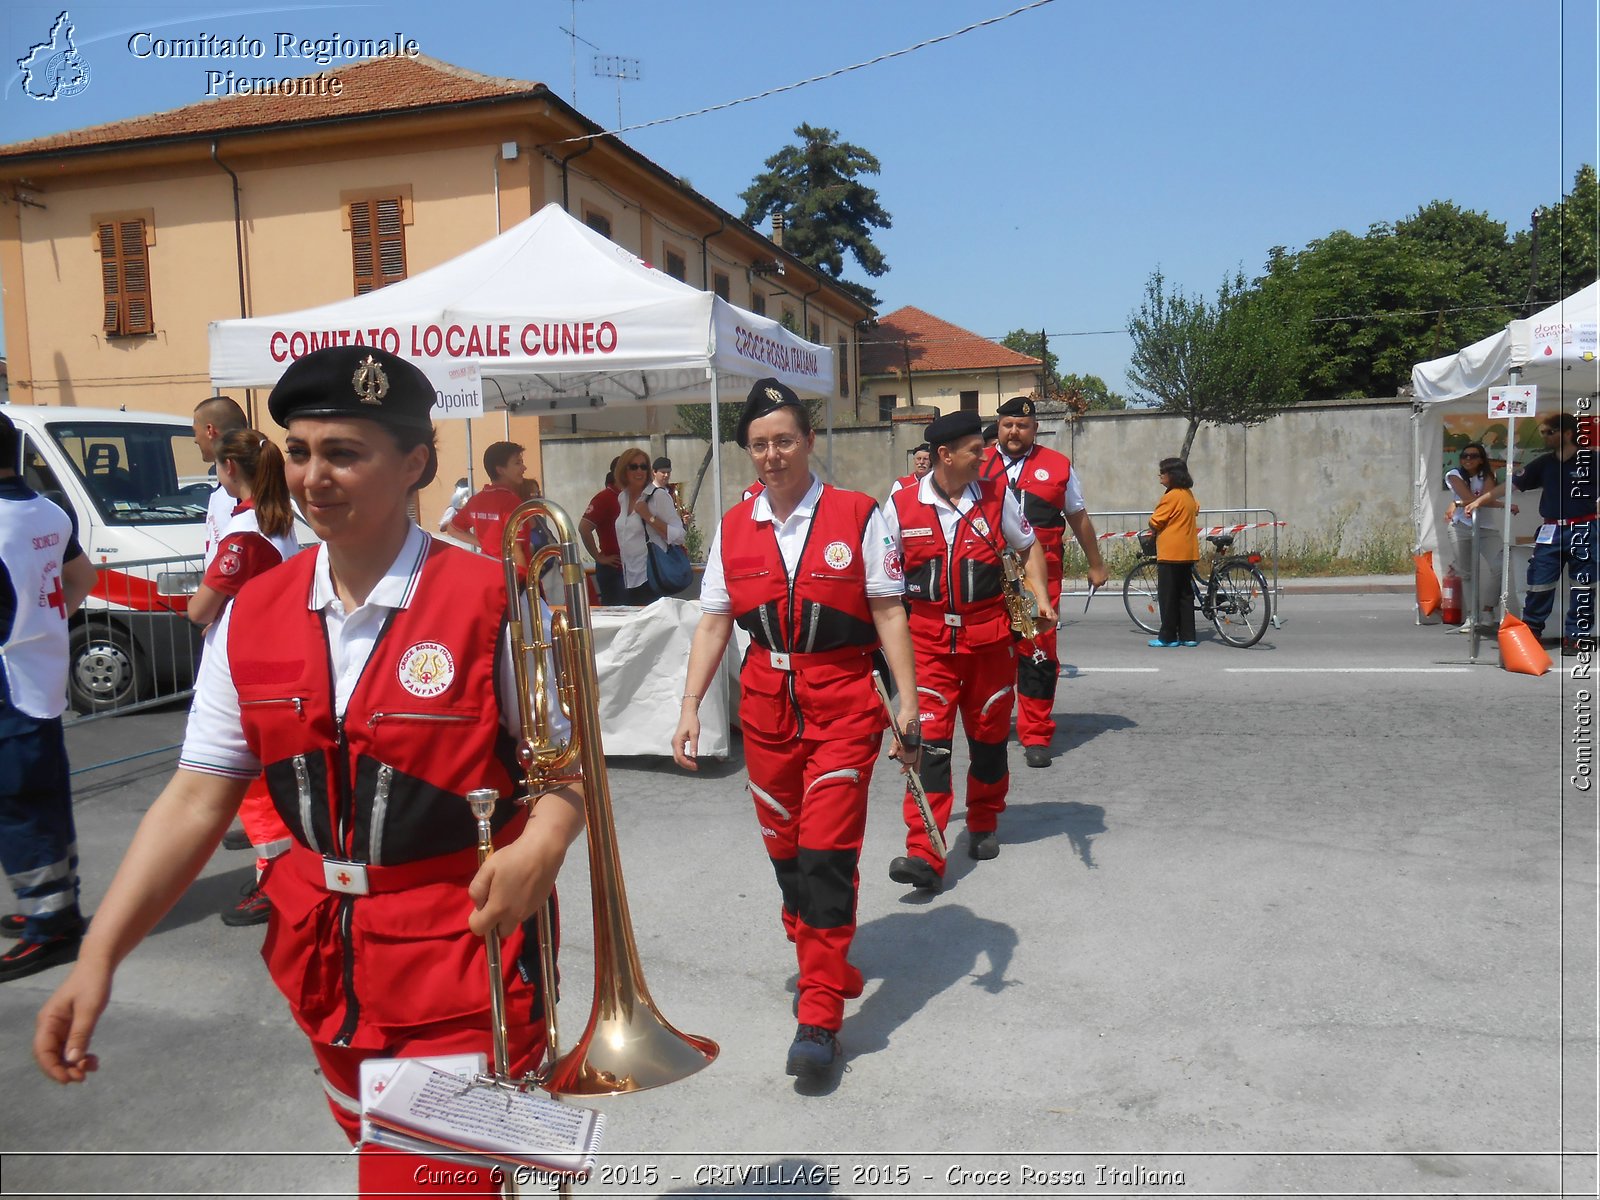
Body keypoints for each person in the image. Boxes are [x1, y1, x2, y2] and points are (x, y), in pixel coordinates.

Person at [34, 347, 587, 1191]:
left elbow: (568, 767)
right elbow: (194, 799)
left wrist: (545, 839)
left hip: (461, 963)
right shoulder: (252, 612)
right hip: (321, 966)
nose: (314, 476)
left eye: (344, 453)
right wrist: (99, 956)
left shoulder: (494, 595)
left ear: (415, 465)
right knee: (422, 1160)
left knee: (423, 1181)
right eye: (298, 452)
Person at [671, 378, 919, 1083]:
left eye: (784, 440)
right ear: (746, 451)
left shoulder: (857, 514)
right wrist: (691, 704)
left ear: (809, 442)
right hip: (766, 705)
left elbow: (889, 611)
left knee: (825, 851)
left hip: (842, 699)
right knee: (785, 851)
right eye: (759, 444)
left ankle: (818, 1016)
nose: (772, 454)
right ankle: (826, 958)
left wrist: (907, 700)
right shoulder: (734, 526)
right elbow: (716, 619)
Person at [883, 409, 1055, 889]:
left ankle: (983, 819)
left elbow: (1029, 547)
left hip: (990, 644)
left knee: (988, 742)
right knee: (927, 748)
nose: (986, 455)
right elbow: (882, 583)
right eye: (977, 450)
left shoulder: (997, 497)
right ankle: (925, 851)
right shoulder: (899, 506)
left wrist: (1039, 597)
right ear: (945, 455)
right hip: (929, 648)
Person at [186, 429, 303, 926]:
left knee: (255, 790)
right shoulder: (279, 523)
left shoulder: (244, 535)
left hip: (245, 670)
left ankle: (275, 879)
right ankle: (276, 872)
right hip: (275, 663)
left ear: (229, 469)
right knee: (272, 782)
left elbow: (199, 609)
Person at [0, 410, 99, 982]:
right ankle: (58, 907)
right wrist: (43, 625)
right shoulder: (46, 511)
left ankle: (49, 925)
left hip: (7, 679)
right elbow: (79, 581)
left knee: (17, 806)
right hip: (38, 674)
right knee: (44, 797)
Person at [982, 396, 1108, 768]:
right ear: (998, 427)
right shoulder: (978, 463)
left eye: (1022, 425)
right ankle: (989, 726)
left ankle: (1035, 734)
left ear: (1035, 428)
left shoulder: (1058, 466)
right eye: (1007, 424)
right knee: (989, 652)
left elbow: (1078, 517)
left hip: (1040, 577)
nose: (1014, 431)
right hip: (987, 576)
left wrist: (1096, 563)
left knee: (1036, 653)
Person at [1469, 412, 1596, 654]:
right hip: (1552, 530)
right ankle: (1532, 632)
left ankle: (1576, 637)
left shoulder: (1592, 460)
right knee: (1539, 583)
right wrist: (1480, 501)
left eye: (1549, 432)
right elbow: (1511, 485)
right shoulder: (1544, 463)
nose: (1545, 437)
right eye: (1543, 433)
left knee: (1582, 587)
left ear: (1567, 433)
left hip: (1585, 528)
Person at [1444, 442, 1516, 631]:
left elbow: (1484, 500)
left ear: (1481, 459)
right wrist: (1459, 502)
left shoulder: (1487, 475)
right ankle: (1471, 617)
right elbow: (1470, 497)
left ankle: (1487, 609)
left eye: (1473, 456)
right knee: (1467, 573)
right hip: (1461, 527)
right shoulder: (1453, 474)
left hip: (1485, 527)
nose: (1468, 459)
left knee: (1501, 566)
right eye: (1465, 456)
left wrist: (1457, 503)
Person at [613, 446, 685, 605]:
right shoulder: (622, 498)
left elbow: (679, 535)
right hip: (628, 578)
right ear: (623, 470)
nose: (639, 471)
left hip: (651, 576)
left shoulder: (657, 496)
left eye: (643, 466)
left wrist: (649, 517)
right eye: (633, 467)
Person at [450, 440, 532, 576]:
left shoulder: (476, 500)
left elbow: (453, 529)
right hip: (512, 579)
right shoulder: (511, 502)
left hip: (489, 574)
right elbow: (516, 551)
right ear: (500, 470)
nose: (524, 468)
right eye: (517, 463)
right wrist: (525, 586)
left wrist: (486, 544)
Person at [1146, 458, 1200, 648]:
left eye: (1163, 473)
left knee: (1168, 596)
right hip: (1188, 550)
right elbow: (1196, 509)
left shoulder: (1170, 496)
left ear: (1172, 476)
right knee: (1185, 594)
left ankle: (1168, 636)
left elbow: (1156, 520)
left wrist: (1153, 524)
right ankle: (1188, 635)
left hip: (1170, 551)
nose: (1160, 476)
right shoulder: (1188, 494)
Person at [192, 395, 249, 566]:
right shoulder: (227, 486)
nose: (195, 439)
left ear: (210, 430)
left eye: (195, 431)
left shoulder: (240, 489)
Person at [580, 458, 625, 605]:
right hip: (615, 569)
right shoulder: (605, 498)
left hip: (636, 568)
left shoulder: (636, 497)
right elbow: (584, 528)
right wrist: (599, 557)